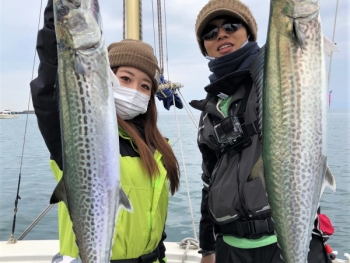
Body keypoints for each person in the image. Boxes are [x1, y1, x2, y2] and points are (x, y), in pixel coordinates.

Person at [30, 1, 180, 262]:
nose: (135, 90)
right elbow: (47, 92)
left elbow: (153, 223)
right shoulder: (75, 134)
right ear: (105, 78)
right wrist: (58, 19)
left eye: (145, 86)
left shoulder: (158, 149)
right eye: (125, 79)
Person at [189, 0, 333, 262]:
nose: (221, 34)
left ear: (249, 32)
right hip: (231, 248)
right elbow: (208, 183)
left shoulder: (273, 78)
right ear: (204, 47)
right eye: (209, 33)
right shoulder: (210, 110)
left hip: (282, 239)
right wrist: (208, 248)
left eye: (231, 25)